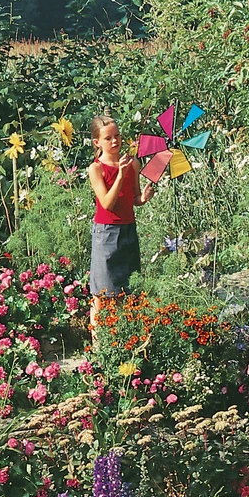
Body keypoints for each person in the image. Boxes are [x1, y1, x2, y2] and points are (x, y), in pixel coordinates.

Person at [86, 115, 155, 340]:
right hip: (106, 232)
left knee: (129, 289)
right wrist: (120, 175)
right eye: (108, 138)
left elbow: (134, 198)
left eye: (117, 136)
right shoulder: (96, 169)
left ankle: (127, 340)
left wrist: (144, 197)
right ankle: (98, 347)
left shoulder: (133, 163)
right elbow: (106, 203)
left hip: (128, 230)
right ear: (97, 142)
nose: (115, 142)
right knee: (102, 293)